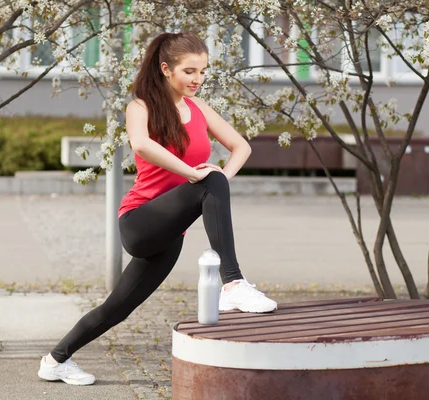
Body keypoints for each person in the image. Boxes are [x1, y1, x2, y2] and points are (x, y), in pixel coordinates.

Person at [37, 31, 277, 386]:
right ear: (166, 69)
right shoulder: (141, 107)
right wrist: (197, 175)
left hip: (170, 234)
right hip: (139, 222)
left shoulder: (199, 109)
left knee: (118, 308)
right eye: (189, 71)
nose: (198, 79)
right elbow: (142, 145)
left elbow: (241, 146)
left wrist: (219, 180)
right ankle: (233, 283)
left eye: (203, 72)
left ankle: (55, 360)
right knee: (209, 179)